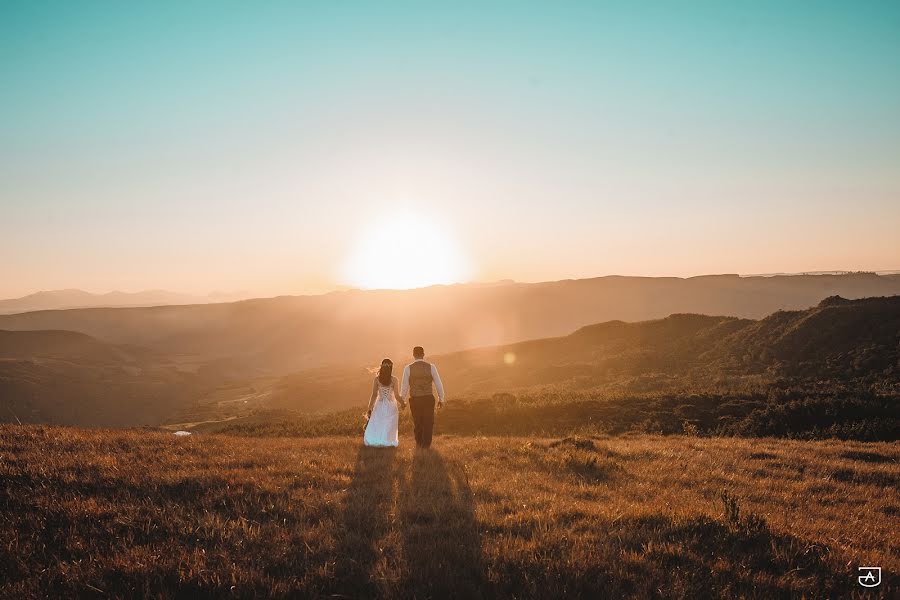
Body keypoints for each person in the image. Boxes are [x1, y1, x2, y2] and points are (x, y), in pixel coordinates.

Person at [399, 346, 445, 448]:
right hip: (428, 398)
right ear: (423, 354)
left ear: (413, 355)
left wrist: (402, 401)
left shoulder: (408, 368)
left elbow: (404, 387)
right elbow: (438, 383)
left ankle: (419, 444)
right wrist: (441, 399)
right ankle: (426, 445)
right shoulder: (431, 367)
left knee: (418, 422)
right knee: (428, 422)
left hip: (415, 399)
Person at [363, 358, 402, 447]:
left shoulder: (377, 380)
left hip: (379, 404)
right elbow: (396, 396)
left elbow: (374, 395)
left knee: (379, 423)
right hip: (391, 405)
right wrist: (403, 403)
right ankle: (387, 441)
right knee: (389, 424)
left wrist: (370, 408)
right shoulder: (394, 380)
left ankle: (378, 440)